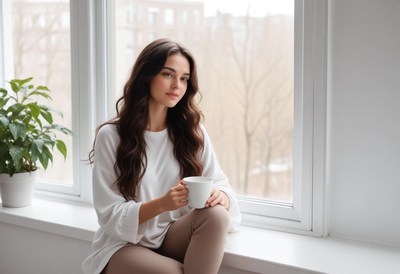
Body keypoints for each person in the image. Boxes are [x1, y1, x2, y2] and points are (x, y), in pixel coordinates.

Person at [82, 38, 241, 274]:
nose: (177, 85)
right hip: (124, 245)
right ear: (146, 75)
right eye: (168, 74)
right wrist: (162, 204)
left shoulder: (192, 132)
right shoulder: (111, 136)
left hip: (172, 236)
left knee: (216, 215)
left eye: (184, 78)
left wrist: (221, 197)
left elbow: (220, 183)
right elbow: (109, 214)